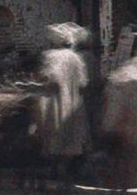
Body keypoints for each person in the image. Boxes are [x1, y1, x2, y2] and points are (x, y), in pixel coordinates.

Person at [32, 23, 93, 185]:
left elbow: (51, 79)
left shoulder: (51, 56)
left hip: (54, 100)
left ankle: (56, 169)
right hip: (73, 100)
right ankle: (64, 169)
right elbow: (83, 82)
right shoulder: (75, 58)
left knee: (53, 133)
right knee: (71, 135)